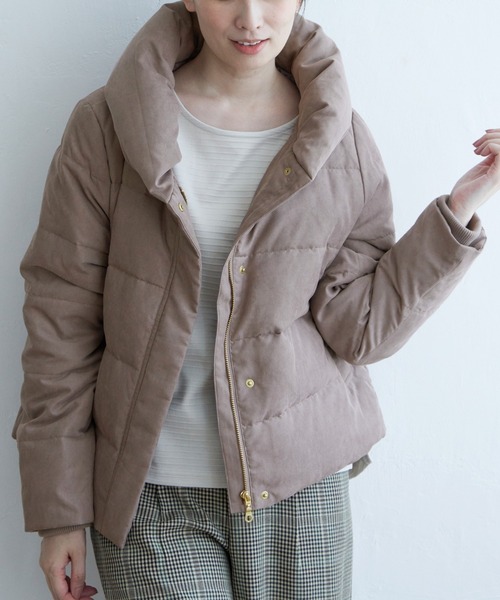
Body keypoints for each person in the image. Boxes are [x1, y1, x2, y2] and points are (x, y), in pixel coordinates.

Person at [13, 1, 500, 599]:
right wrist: (59, 511)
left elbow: (358, 328)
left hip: (303, 492)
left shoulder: (340, 138)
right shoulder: (106, 127)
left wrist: (459, 211)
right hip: (151, 499)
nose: (251, 18)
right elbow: (61, 321)